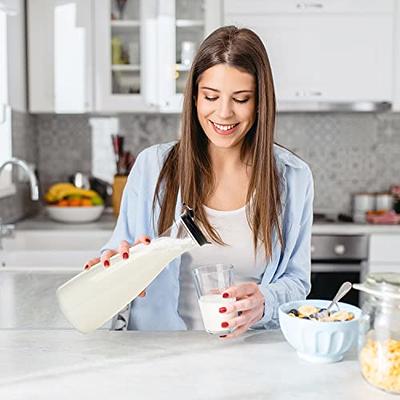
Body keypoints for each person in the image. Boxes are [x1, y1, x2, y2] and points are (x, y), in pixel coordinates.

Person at [84, 26, 314, 338]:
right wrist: (113, 268)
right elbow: (117, 256)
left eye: (241, 99)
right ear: (194, 98)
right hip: (160, 355)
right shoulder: (153, 168)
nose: (224, 113)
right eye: (211, 96)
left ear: (260, 102)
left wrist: (264, 302)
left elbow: (297, 281)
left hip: (254, 354)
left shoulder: (293, 178)